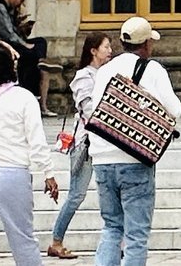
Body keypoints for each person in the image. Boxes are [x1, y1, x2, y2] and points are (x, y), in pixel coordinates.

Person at [91, 17, 181, 266]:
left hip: (102, 158)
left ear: (122, 42)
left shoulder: (105, 69)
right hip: (135, 157)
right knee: (136, 234)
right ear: (147, 44)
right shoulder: (153, 69)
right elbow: (174, 109)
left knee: (111, 227)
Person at [0, 39, 58, 266]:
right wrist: (48, 172)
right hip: (11, 175)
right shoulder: (24, 98)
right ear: (9, 68)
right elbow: (36, 142)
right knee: (22, 240)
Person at [44, 30, 121, 257]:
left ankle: (120, 243)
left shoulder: (109, 73)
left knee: (115, 192)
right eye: (106, 47)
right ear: (93, 50)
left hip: (107, 143)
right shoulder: (83, 78)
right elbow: (89, 110)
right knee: (77, 194)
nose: (110, 51)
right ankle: (56, 241)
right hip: (86, 143)